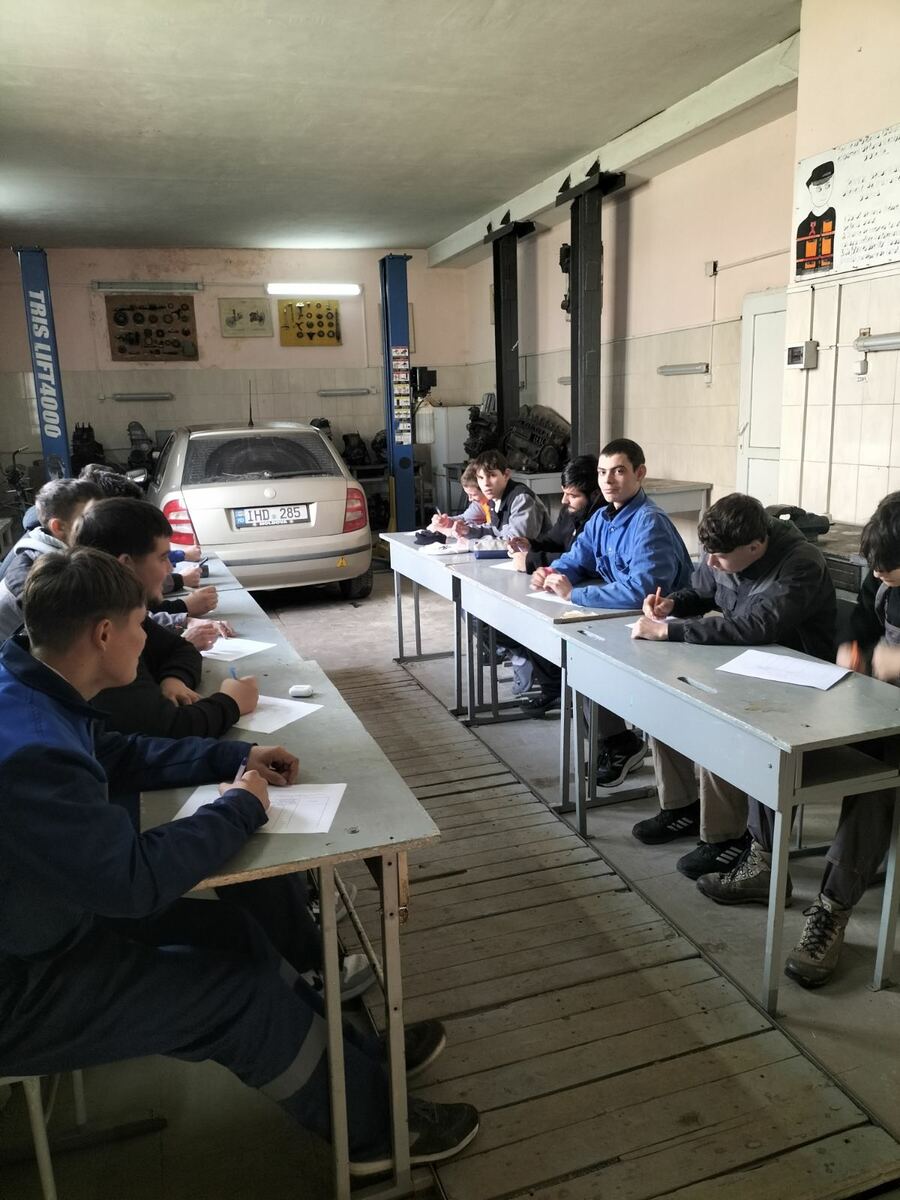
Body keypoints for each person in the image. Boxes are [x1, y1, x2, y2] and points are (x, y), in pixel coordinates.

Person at [0, 548, 478, 1173]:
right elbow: (134, 881)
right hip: (22, 982)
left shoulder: (34, 687)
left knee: (232, 930)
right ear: (105, 634)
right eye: (142, 623)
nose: (149, 638)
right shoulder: (33, 749)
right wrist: (239, 808)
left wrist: (233, 758)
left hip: (48, 923)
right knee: (234, 996)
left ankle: (356, 1064)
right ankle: (374, 1137)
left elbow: (121, 755)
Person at [694, 494, 899, 987]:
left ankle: (832, 908)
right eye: (879, 569)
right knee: (776, 735)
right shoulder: (882, 578)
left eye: (892, 569)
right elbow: (862, 627)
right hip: (874, 701)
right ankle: (765, 859)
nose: (882, 577)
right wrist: (857, 650)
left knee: (879, 779)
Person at [631, 493, 836, 880]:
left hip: (795, 682)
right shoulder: (723, 549)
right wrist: (673, 605)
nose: (710, 563)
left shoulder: (801, 563)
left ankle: (726, 837)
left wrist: (670, 631)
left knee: (717, 723)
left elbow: (758, 627)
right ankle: (681, 807)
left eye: (720, 557)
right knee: (665, 699)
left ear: (755, 547)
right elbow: (702, 593)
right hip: (737, 664)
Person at [527, 439, 693, 785]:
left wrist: (576, 594)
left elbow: (640, 591)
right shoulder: (603, 518)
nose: (608, 480)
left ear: (639, 473)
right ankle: (617, 741)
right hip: (626, 619)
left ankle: (620, 743)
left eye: (619, 471)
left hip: (666, 628)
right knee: (579, 658)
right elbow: (577, 558)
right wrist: (553, 573)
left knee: (591, 663)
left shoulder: (648, 523)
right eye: (603, 472)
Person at [74, 498, 255, 739]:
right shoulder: (106, 633)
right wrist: (231, 702)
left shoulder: (116, 608)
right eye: (162, 558)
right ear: (125, 565)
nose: (170, 569)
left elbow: (180, 648)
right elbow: (164, 728)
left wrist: (173, 679)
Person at [508, 455, 603, 710]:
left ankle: (560, 689)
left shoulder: (600, 518)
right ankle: (554, 687)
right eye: (564, 493)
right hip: (564, 586)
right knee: (528, 619)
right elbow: (554, 540)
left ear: (595, 494)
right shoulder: (571, 511)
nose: (564, 500)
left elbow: (583, 560)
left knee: (542, 625)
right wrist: (531, 544)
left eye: (573, 495)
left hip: (588, 589)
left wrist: (531, 561)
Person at [0, 476, 102, 639]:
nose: (102, 525)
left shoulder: (49, 548)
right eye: (90, 518)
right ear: (59, 527)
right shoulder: (42, 580)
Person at [460, 449, 552, 543]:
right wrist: (468, 531)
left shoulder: (522, 499)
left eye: (492, 475)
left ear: (506, 475)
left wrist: (473, 544)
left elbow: (515, 543)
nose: (485, 483)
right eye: (481, 478)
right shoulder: (494, 499)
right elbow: (496, 531)